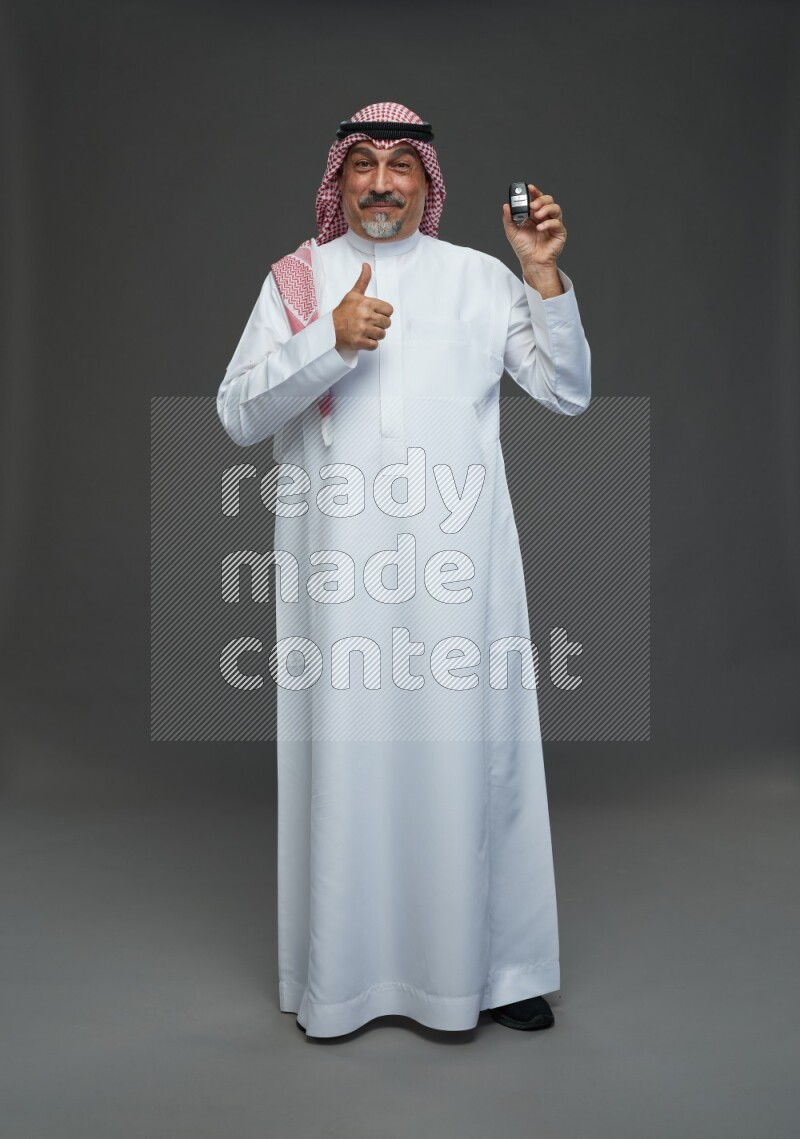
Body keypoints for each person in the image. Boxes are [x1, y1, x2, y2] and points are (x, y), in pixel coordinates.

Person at [216, 102, 592, 1039]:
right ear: (338, 178)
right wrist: (329, 340)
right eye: (363, 166)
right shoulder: (297, 283)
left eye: (400, 166)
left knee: (477, 755)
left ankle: (499, 968)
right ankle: (345, 979)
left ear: (429, 182)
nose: (381, 181)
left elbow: (567, 389)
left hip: (462, 574)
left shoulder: (477, 279)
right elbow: (237, 416)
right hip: (339, 582)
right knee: (351, 760)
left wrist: (543, 281)